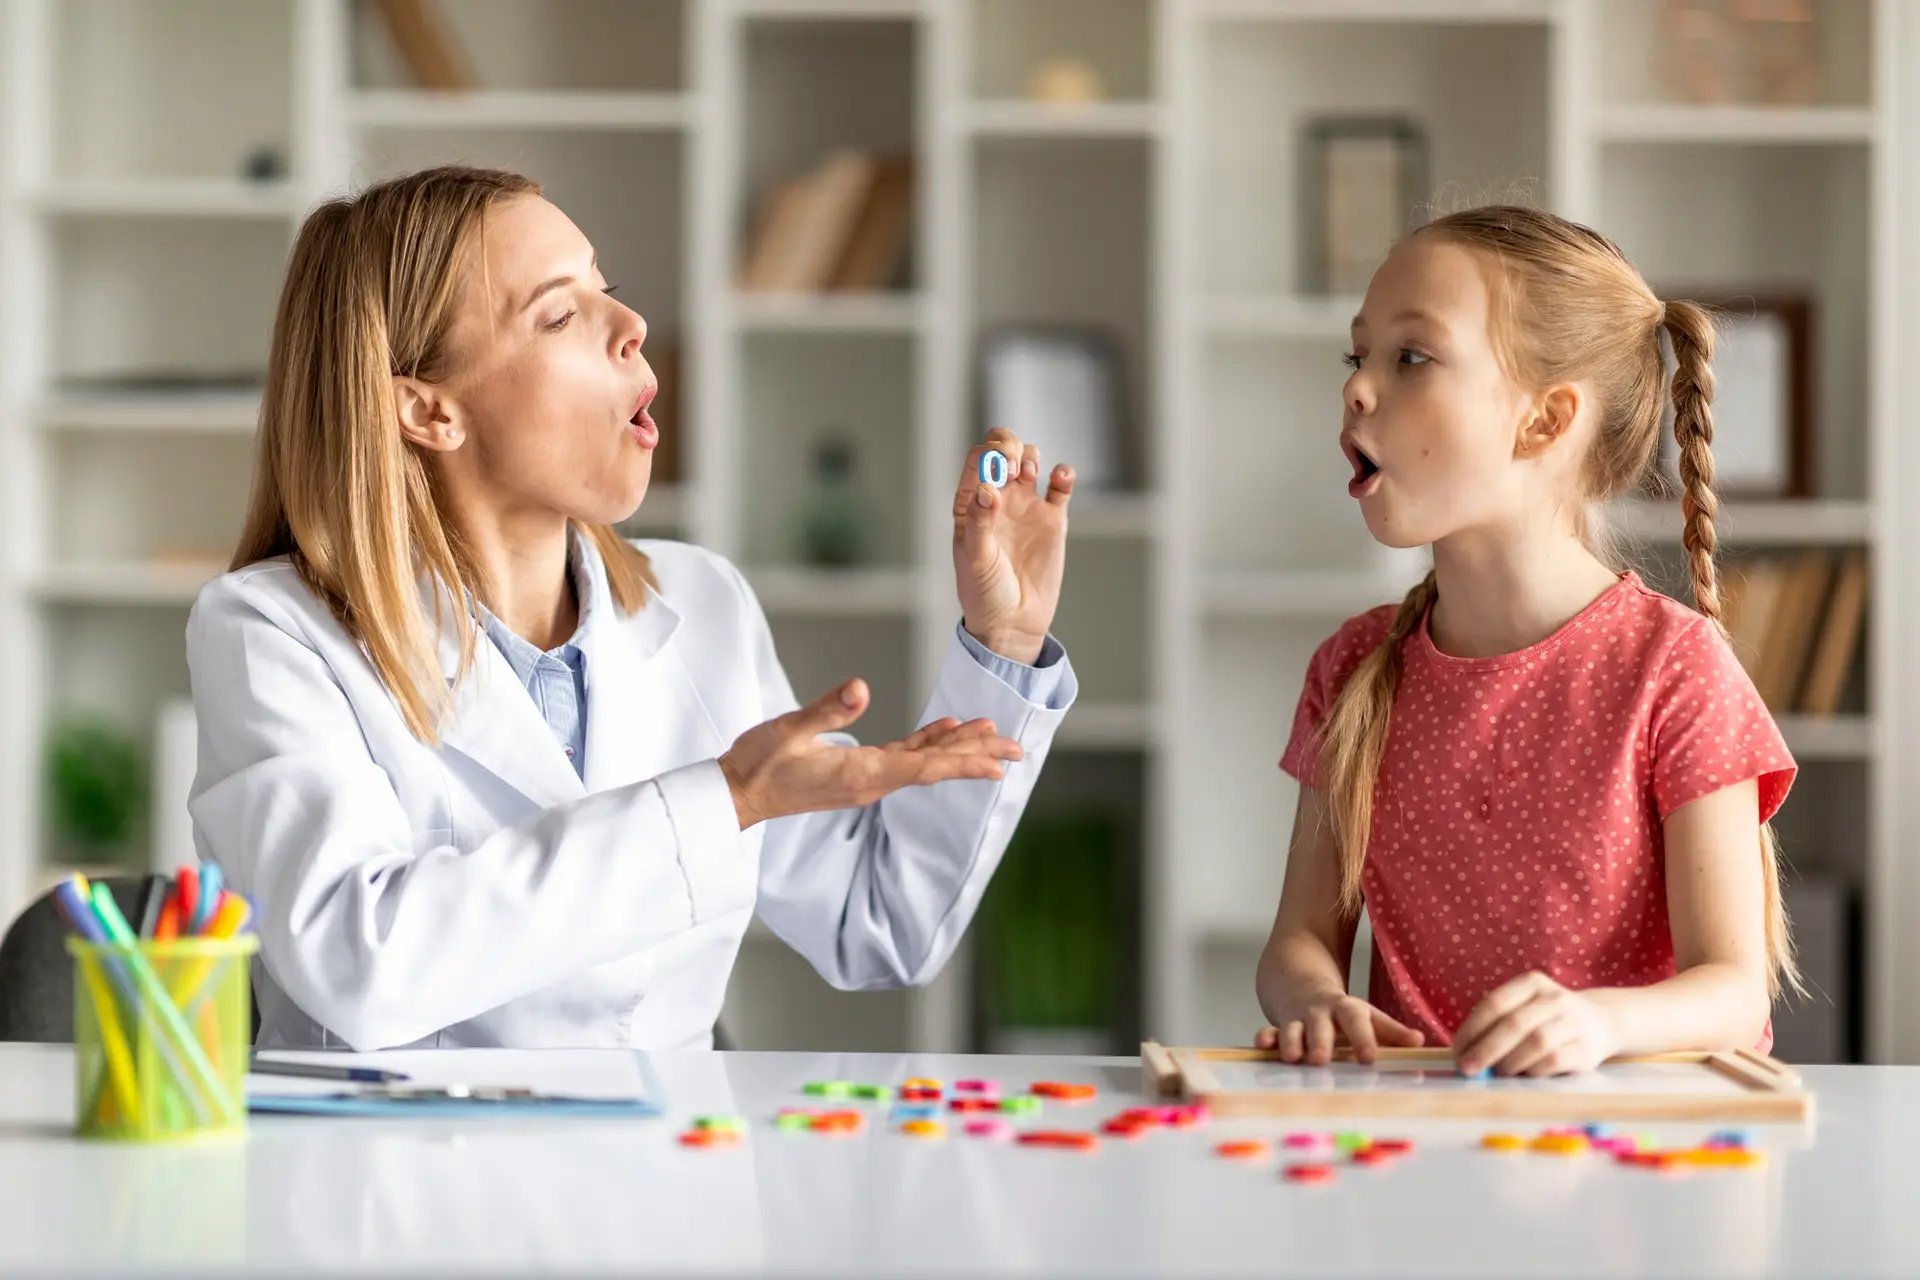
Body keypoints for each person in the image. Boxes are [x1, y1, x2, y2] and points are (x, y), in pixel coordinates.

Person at [186, 165, 1079, 1051]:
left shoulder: (702, 605)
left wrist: (1004, 642)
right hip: (401, 1183)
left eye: (604, 289)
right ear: (428, 410)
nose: (633, 325)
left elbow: (882, 919)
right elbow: (362, 966)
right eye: (560, 313)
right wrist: (719, 802)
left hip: (663, 1182)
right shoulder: (272, 635)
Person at [1253, 205, 1799, 1076]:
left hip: (1645, 1157)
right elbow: (1297, 944)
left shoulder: (1674, 669)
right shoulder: (1353, 670)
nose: (1357, 387)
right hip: (1429, 1153)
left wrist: (1598, 1026)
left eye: (1412, 357)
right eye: (1359, 356)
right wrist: (1315, 1001)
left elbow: (1733, 992)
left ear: (1544, 422)